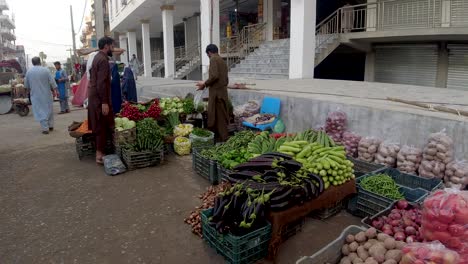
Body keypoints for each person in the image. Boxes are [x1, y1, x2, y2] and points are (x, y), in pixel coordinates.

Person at [88, 36, 115, 164]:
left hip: (94, 95)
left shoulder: (97, 57)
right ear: (106, 46)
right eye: (112, 46)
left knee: (102, 123)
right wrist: (104, 102)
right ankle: (99, 155)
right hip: (99, 97)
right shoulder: (103, 60)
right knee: (101, 124)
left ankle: (101, 151)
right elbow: (101, 83)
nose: (112, 48)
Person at [196, 44, 229, 142]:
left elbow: (215, 76)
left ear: (209, 52)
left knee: (218, 117)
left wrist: (204, 84)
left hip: (217, 95)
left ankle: (223, 139)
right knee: (220, 116)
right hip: (222, 93)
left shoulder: (214, 59)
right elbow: (226, 79)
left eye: (207, 55)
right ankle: (218, 138)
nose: (208, 56)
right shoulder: (222, 61)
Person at [24, 57, 57, 134]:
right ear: (40, 62)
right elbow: (52, 82)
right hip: (47, 94)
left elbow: (26, 86)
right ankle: (51, 125)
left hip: (36, 95)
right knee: (49, 109)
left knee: (40, 110)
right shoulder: (46, 70)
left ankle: (45, 128)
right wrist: (55, 90)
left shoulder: (29, 72)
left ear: (33, 63)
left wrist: (27, 93)